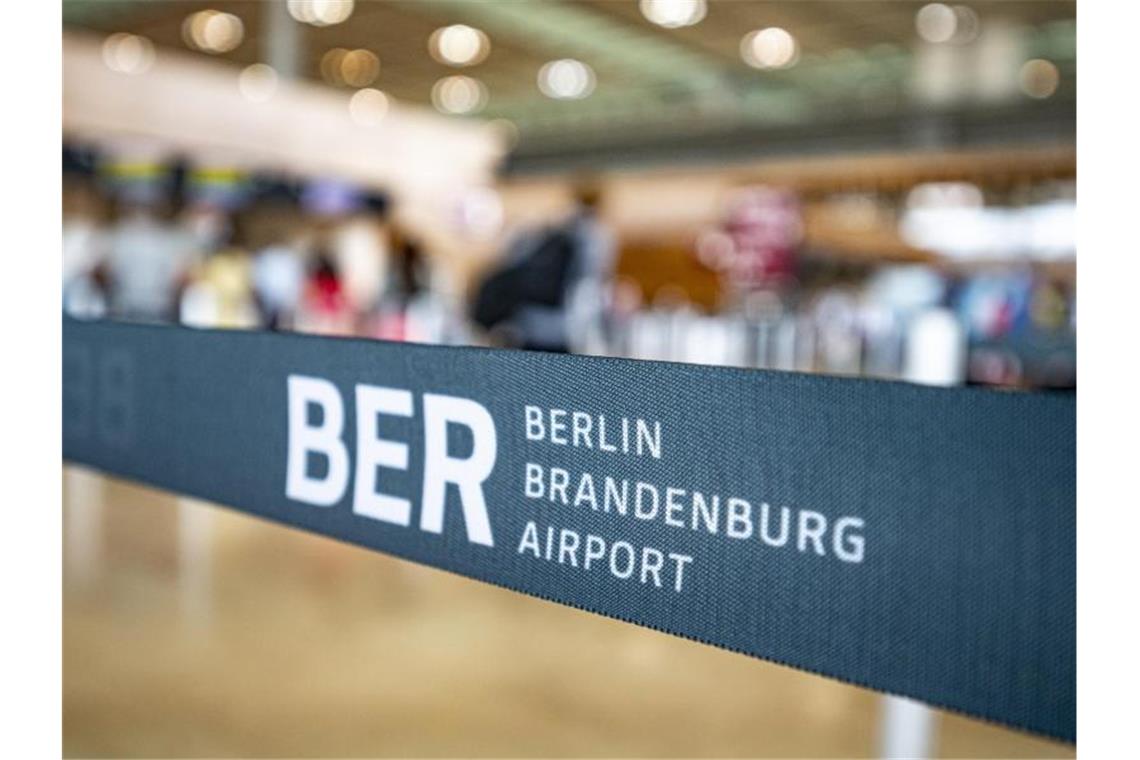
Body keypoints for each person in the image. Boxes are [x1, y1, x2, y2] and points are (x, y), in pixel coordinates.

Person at [472, 182, 615, 352]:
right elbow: (586, 282)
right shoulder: (595, 236)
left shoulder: (555, 226)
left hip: (528, 320)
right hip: (560, 327)